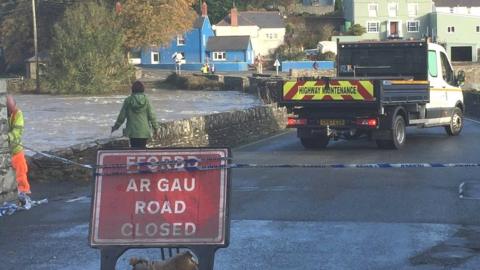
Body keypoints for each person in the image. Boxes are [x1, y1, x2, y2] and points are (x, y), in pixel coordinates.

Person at [111, 81, 158, 149]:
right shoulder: (147, 100)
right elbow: (152, 116)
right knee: (142, 149)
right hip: (144, 131)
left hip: (132, 131)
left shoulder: (128, 100)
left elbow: (122, 116)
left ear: (132, 89)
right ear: (143, 89)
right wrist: (156, 128)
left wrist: (115, 127)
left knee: (134, 149)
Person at [6, 95, 32, 208]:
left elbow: (17, 132)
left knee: (21, 174)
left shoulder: (18, 114)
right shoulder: (5, 114)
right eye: (8, 107)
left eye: (11, 107)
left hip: (16, 150)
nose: (10, 110)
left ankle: (24, 194)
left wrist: (6, 138)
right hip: (7, 151)